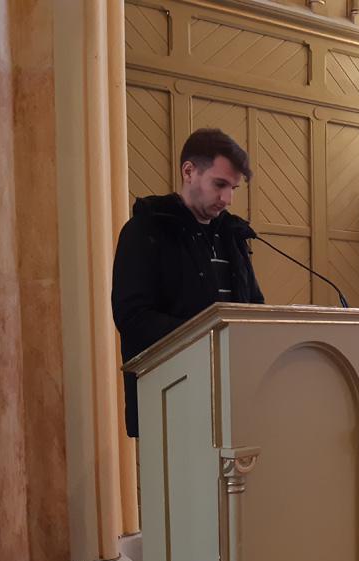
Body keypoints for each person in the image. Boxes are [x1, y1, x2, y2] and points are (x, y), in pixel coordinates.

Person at [112, 128, 265, 438]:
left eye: (233, 188)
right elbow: (133, 317)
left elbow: (254, 306)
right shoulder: (146, 230)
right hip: (172, 399)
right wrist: (210, 339)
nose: (227, 199)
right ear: (189, 171)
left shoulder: (232, 236)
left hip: (235, 397)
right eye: (219, 184)